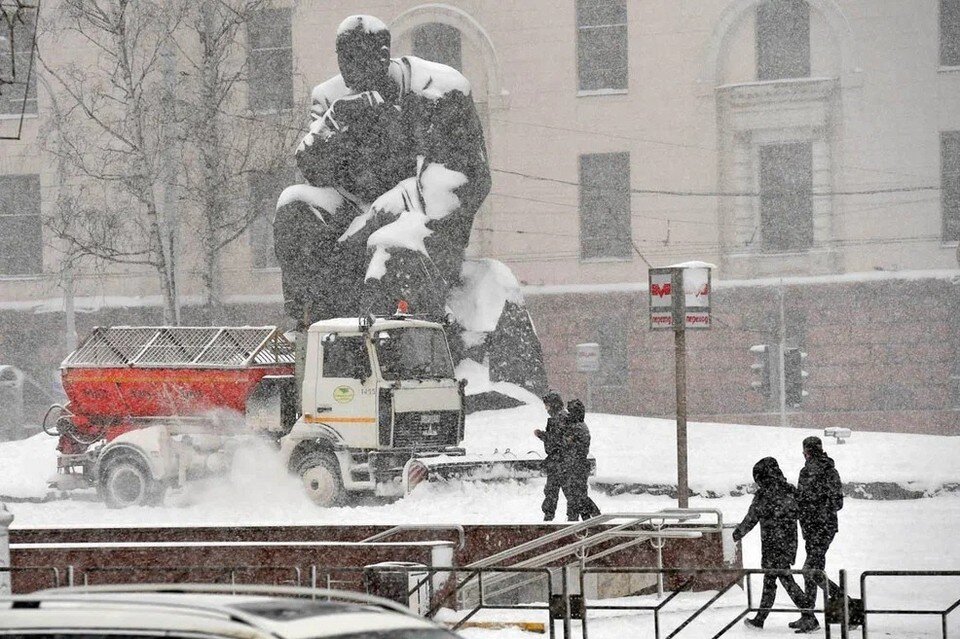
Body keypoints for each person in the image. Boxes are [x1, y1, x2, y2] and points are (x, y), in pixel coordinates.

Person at [274, 14, 491, 327]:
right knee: (294, 205)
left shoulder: (439, 89)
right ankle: (310, 323)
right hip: (354, 214)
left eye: (356, 59)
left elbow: (462, 179)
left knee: (389, 244)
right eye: (342, 59)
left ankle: (390, 344)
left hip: (422, 217)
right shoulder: (329, 96)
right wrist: (334, 122)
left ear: (382, 56)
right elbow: (314, 173)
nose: (347, 69)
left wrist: (385, 211)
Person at [732, 457, 815, 631]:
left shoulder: (765, 495)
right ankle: (761, 618)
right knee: (772, 580)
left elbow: (752, 518)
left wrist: (738, 533)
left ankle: (809, 617)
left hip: (772, 545)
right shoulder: (789, 490)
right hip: (788, 544)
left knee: (784, 580)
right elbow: (802, 513)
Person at [793, 436, 844, 631]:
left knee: (810, 570)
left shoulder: (808, 472)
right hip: (821, 529)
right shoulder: (831, 472)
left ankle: (845, 603)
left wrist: (812, 506)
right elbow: (837, 502)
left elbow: (805, 501)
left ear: (806, 451)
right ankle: (808, 616)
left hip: (817, 529)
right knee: (814, 571)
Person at [534, 391, 572, 521]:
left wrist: (542, 436)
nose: (546, 409)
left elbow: (556, 441)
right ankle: (573, 517)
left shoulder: (559, 419)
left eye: (547, 405)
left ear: (553, 405)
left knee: (553, 491)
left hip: (559, 462)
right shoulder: (562, 416)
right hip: (562, 462)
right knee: (563, 492)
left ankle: (551, 518)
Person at [563, 399, 601, 521]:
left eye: (570, 412)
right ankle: (587, 519)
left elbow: (568, 445)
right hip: (576, 466)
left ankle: (592, 518)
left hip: (576, 466)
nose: (568, 414)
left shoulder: (577, 428)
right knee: (577, 496)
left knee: (577, 497)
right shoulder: (578, 426)